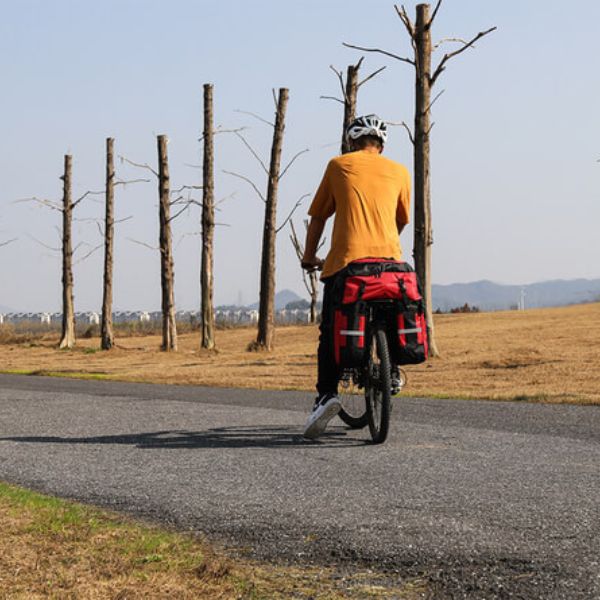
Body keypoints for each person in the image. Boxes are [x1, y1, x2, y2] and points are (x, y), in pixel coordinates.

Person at [301, 114, 411, 439]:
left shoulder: (338, 166)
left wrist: (309, 258)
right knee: (390, 314)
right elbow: (401, 220)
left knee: (329, 331)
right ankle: (391, 372)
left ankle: (326, 396)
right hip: (391, 265)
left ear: (352, 141)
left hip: (347, 264)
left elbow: (319, 217)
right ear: (381, 144)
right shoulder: (400, 171)